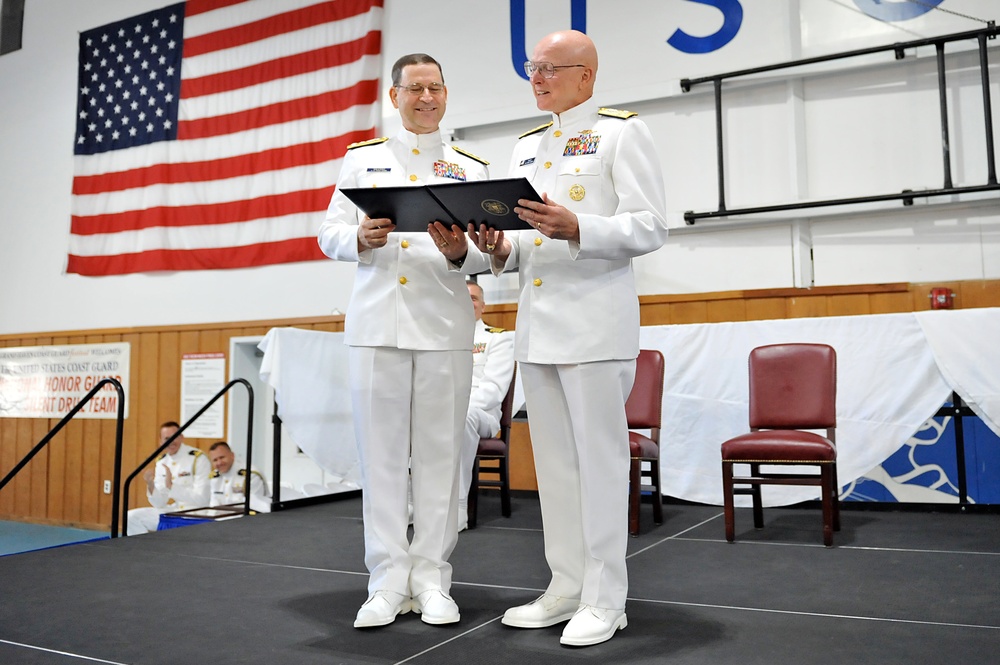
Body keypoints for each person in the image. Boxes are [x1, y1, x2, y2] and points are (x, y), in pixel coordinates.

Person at [461, 30, 669, 646]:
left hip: (596, 324)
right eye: (533, 67)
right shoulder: (525, 147)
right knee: (553, 469)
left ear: (587, 75)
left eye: (551, 68)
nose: (538, 77)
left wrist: (581, 226)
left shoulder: (620, 132)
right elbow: (523, 241)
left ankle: (607, 599)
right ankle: (565, 586)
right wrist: (497, 247)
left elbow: (651, 225)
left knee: (600, 465)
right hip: (538, 329)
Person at [317, 53, 490, 629]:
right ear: (395, 97)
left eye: (435, 88)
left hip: (444, 324)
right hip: (377, 327)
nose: (426, 98)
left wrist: (463, 254)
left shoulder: (469, 165)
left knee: (442, 457)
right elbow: (328, 233)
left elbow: (489, 250)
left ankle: (433, 579)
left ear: (446, 95)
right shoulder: (363, 160)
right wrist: (360, 238)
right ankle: (387, 579)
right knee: (383, 459)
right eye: (414, 88)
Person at [458, 280, 515, 532]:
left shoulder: (498, 339)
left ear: (482, 306)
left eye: (472, 298)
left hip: (481, 414)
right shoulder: (439, 341)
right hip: (442, 411)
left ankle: (457, 507)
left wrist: (454, 409)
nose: (467, 302)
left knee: (463, 416)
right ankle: (411, 501)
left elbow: (493, 390)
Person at [126, 421, 212, 535]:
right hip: (173, 511)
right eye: (167, 438)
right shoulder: (162, 461)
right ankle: (145, 550)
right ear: (160, 441)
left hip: (195, 514)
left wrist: (171, 486)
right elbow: (159, 504)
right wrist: (150, 484)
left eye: (174, 437)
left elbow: (203, 499)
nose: (171, 442)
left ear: (181, 437)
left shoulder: (198, 458)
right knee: (130, 517)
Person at [208, 441, 269, 508]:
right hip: (224, 517)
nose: (219, 463)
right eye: (215, 460)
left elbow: (256, 506)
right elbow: (214, 505)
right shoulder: (215, 477)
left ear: (232, 456)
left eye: (222, 457)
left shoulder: (250, 475)